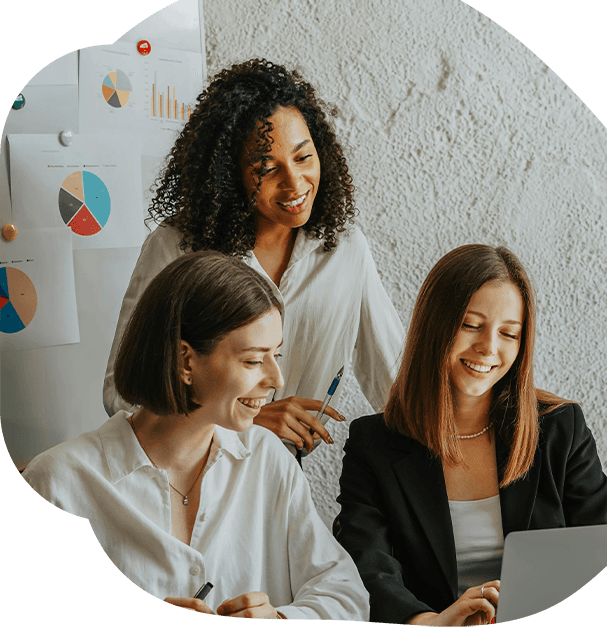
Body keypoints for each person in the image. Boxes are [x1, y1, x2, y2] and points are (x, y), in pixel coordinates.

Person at [23, 252, 369, 620]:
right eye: (253, 360)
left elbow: (347, 597)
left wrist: (280, 619)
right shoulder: (56, 483)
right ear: (186, 360)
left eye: (276, 355)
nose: (276, 380)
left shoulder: (267, 458)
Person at [103, 59, 404, 455]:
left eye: (303, 157)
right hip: (186, 466)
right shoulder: (176, 248)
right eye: (266, 168)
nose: (295, 183)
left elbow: (395, 382)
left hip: (282, 471)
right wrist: (245, 416)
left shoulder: (344, 249)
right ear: (230, 175)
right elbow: (124, 396)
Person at [333, 245, 607, 626]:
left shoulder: (562, 428)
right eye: (470, 325)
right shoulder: (373, 442)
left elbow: (599, 558)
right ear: (435, 325)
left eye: (509, 333)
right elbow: (368, 566)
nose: (489, 348)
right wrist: (431, 622)